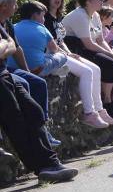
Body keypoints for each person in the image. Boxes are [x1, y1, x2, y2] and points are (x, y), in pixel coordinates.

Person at [0, 18, 78, 183]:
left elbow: (13, 46)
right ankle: (42, 167)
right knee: (15, 122)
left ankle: (52, 164)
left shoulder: (5, 24)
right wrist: (6, 44)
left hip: (5, 74)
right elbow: (7, 47)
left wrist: (7, 44)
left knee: (34, 111)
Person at [39, 0, 113, 128]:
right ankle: (89, 113)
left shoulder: (57, 16)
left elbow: (61, 40)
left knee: (96, 69)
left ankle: (99, 109)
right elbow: (52, 44)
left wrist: (69, 53)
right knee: (86, 72)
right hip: (51, 56)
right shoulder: (46, 17)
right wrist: (67, 54)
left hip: (61, 53)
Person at [0, 0, 60, 146]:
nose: (16, 6)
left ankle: (43, 128)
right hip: (3, 71)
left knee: (37, 82)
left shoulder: (8, 24)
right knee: (24, 84)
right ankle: (30, 130)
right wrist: (8, 47)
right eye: (14, 3)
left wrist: (26, 70)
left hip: (7, 69)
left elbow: (17, 49)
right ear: (4, 6)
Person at [62, 0, 113, 122]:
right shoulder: (79, 15)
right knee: (109, 63)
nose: (102, 0)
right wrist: (111, 56)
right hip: (77, 49)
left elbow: (100, 40)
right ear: (88, 1)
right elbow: (88, 44)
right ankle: (107, 101)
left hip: (89, 48)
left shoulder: (95, 15)